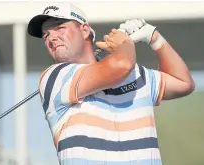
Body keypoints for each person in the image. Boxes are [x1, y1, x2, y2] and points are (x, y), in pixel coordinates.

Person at [27, 3, 195, 165]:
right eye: (46, 35)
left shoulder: (136, 74)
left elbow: (183, 83)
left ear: (85, 30)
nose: (51, 38)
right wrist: (124, 44)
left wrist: (155, 38)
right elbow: (121, 65)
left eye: (59, 28)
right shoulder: (54, 77)